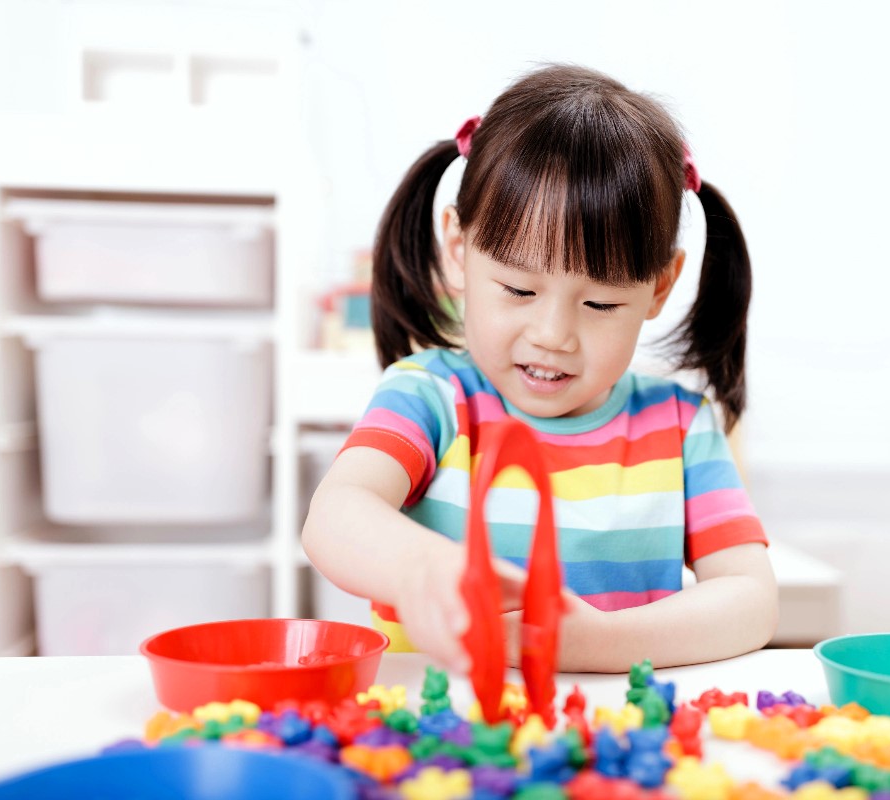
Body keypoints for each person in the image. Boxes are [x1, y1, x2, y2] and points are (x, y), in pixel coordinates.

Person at [303, 64, 777, 674]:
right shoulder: (429, 398)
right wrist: (425, 568)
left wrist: (590, 643)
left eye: (600, 303)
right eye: (519, 290)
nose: (553, 335)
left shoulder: (681, 427)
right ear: (458, 249)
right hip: (436, 746)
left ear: (659, 287)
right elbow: (335, 516)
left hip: (609, 746)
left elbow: (751, 601)